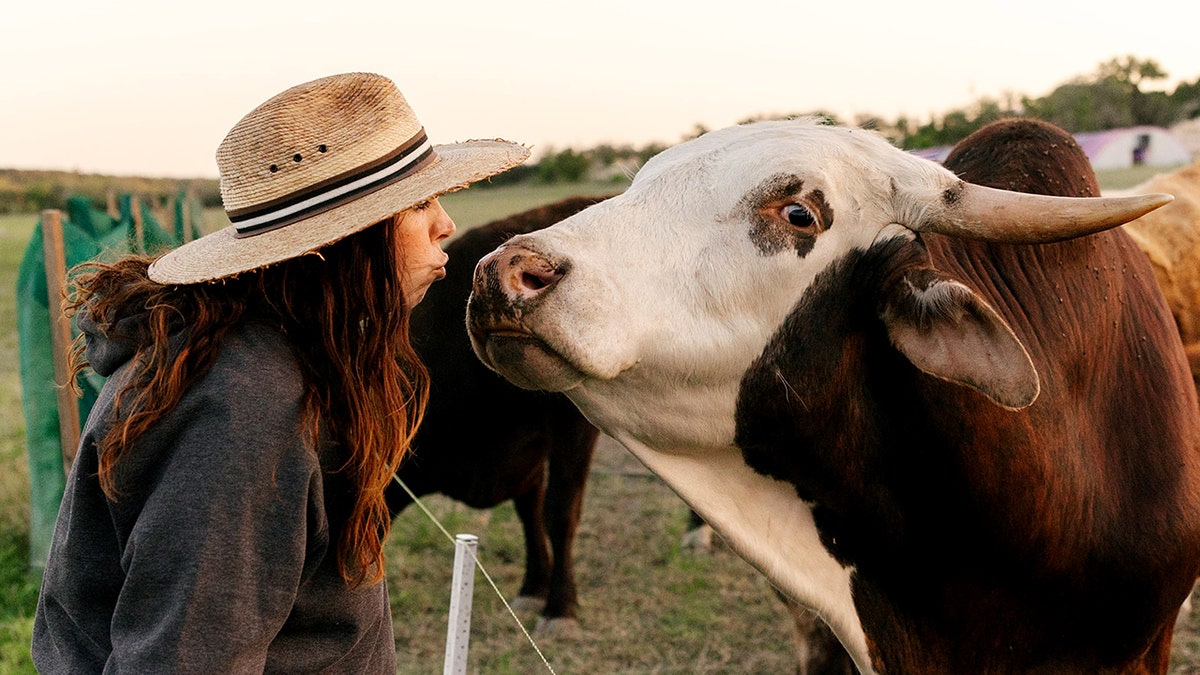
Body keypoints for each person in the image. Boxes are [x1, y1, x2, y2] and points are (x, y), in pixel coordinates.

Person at [31, 72, 529, 672]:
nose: (445, 224)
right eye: (418, 202)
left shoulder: (269, 363)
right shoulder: (244, 407)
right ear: (345, 241)